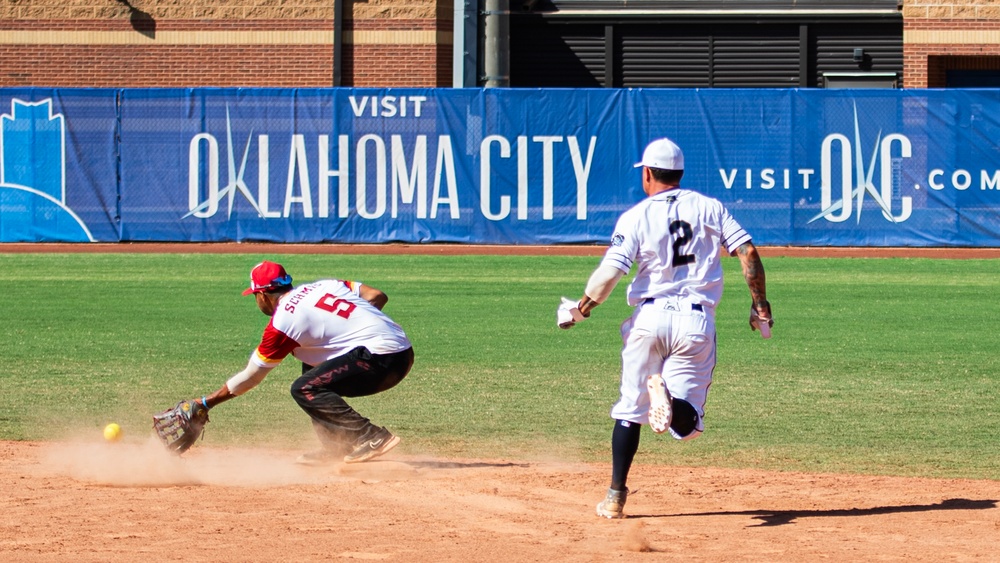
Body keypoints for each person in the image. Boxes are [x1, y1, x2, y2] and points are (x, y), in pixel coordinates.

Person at [557, 137, 772, 518]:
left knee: (629, 410)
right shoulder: (710, 207)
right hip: (695, 320)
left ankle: (614, 498)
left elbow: (611, 273)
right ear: (680, 173)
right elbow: (747, 253)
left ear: (648, 174)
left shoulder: (636, 216)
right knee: (686, 426)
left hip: (648, 319)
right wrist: (760, 305)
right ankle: (670, 402)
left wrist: (582, 308)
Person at [190, 260, 414, 464]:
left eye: (255, 296)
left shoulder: (282, 322)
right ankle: (336, 446)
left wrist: (206, 403)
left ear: (263, 296)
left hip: (379, 359)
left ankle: (372, 436)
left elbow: (252, 376)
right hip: (401, 350)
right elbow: (377, 295)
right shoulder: (325, 285)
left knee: (304, 388)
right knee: (311, 366)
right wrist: (352, 329)